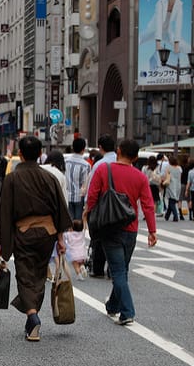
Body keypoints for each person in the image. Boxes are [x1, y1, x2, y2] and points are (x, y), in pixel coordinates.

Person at [0, 135, 72, 342]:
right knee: (39, 273)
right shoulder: (50, 178)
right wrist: (61, 239)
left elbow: (6, 212)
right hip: (47, 233)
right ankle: (32, 314)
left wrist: (3, 243)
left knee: (24, 273)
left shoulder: (12, 178)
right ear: (40, 154)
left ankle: (32, 316)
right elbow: (60, 210)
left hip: (24, 233)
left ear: (20, 154)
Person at [85, 139, 157, 325]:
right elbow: (148, 205)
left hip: (109, 227)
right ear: (135, 157)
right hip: (130, 229)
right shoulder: (140, 177)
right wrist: (152, 231)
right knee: (121, 270)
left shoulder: (103, 170)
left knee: (118, 271)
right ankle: (112, 306)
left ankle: (127, 312)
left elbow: (92, 195)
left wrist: (88, 214)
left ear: (118, 151)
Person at [86, 134, 117, 278]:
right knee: (117, 238)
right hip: (121, 208)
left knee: (99, 239)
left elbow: (92, 190)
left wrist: (88, 208)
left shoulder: (99, 165)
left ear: (100, 147)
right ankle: (113, 269)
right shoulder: (123, 163)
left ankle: (98, 269)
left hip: (102, 208)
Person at [139, 0, 189, 71]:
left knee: (186, 47)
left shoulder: (179, 4)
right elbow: (158, 23)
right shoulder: (161, 2)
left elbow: (178, 24)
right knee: (139, 39)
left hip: (167, 32)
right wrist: (158, 45)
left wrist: (176, 44)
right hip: (153, 30)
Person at [65, 138, 91, 220]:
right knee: (78, 224)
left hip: (67, 196)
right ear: (83, 149)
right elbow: (86, 184)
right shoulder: (86, 165)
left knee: (69, 223)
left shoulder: (66, 161)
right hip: (79, 198)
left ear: (73, 147)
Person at [163, 156, 182, 222]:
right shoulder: (179, 168)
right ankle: (167, 216)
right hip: (178, 185)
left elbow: (166, 176)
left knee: (171, 202)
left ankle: (176, 216)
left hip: (171, 185)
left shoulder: (168, 168)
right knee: (172, 201)